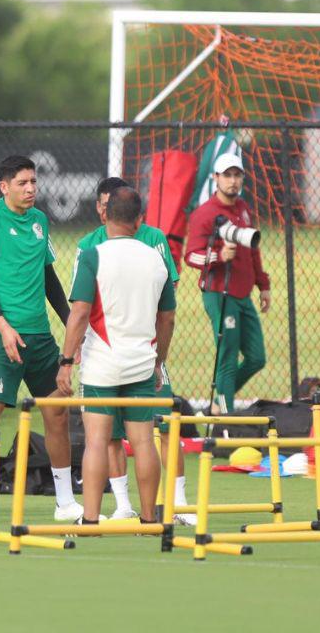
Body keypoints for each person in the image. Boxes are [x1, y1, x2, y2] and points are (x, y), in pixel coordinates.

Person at [0, 154, 81, 522]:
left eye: (33, 183)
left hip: (40, 338)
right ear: (4, 186)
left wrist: (72, 322)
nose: (30, 189)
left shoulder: (40, 221)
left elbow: (49, 279)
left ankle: (64, 503)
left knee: (57, 415)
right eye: (22, 183)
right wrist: (2, 324)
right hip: (2, 337)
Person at [75, 177, 194, 524]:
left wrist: (68, 358)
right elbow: (168, 315)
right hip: (144, 358)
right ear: (138, 218)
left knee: (97, 441)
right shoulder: (153, 256)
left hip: (103, 359)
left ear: (105, 213)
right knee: (143, 441)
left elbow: (80, 311)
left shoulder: (93, 253)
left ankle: (92, 520)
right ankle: (145, 517)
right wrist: (160, 360)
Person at [185, 153, 270, 414]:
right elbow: (191, 255)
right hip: (219, 293)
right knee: (228, 358)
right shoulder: (204, 214)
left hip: (242, 293)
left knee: (257, 358)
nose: (233, 181)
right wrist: (218, 256)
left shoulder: (243, 208)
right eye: (227, 175)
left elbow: (252, 250)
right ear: (216, 178)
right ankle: (226, 419)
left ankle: (220, 404)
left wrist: (263, 283)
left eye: (237, 175)